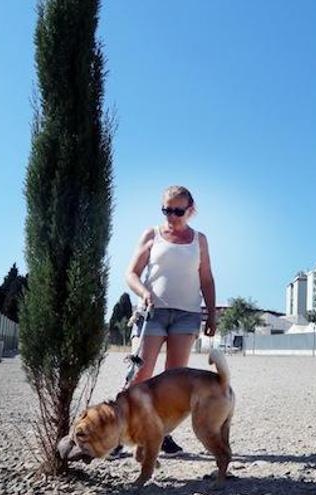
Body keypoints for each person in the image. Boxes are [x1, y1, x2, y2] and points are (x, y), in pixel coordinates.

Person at [125, 185, 217, 455]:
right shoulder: (151, 234)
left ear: (191, 210)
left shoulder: (200, 240)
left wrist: (210, 313)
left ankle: (161, 434)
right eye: (167, 210)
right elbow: (131, 273)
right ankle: (126, 432)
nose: (172, 216)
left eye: (178, 211)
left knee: (173, 381)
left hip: (186, 316)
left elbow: (207, 278)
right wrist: (144, 292)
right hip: (152, 313)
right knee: (141, 374)